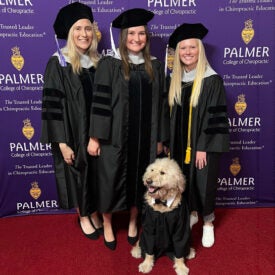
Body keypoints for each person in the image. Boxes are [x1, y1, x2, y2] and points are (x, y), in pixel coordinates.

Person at [87, 8, 169, 250]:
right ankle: (108, 224)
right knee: (109, 180)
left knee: (142, 180)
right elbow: (99, 104)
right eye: (131, 33)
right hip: (114, 138)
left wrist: (160, 138)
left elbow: (162, 105)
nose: (136, 38)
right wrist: (95, 137)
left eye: (141, 33)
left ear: (147, 37)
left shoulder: (154, 65)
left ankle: (134, 222)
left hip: (145, 137)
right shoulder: (110, 64)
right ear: (124, 37)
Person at [41, 2, 103, 240]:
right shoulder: (58, 63)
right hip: (71, 133)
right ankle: (84, 216)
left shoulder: (98, 63)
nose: (83, 34)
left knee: (96, 175)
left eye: (87, 29)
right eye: (78, 29)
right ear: (69, 33)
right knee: (76, 175)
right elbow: (52, 106)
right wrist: (62, 143)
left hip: (94, 134)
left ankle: (94, 210)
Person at [167, 23, 229, 248]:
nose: (187, 52)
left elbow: (215, 117)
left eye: (192, 47)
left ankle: (208, 223)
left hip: (202, 145)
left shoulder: (212, 80)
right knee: (185, 180)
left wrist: (203, 145)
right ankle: (192, 213)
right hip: (180, 144)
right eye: (183, 48)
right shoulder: (175, 80)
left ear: (200, 50)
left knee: (204, 182)